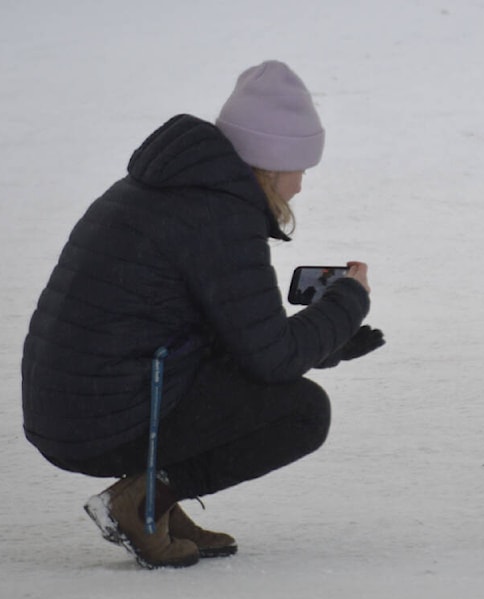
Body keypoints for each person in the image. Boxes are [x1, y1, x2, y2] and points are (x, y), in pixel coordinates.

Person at [21, 60, 385, 569]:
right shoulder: (220, 215)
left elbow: (230, 335)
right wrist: (348, 299)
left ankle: (157, 500)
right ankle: (145, 502)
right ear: (272, 162)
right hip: (100, 418)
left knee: (262, 385)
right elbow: (272, 361)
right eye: (300, 168)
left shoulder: (174, 190)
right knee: (302, 412)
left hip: (72, 406)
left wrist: (330, 343)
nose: (300, 186)